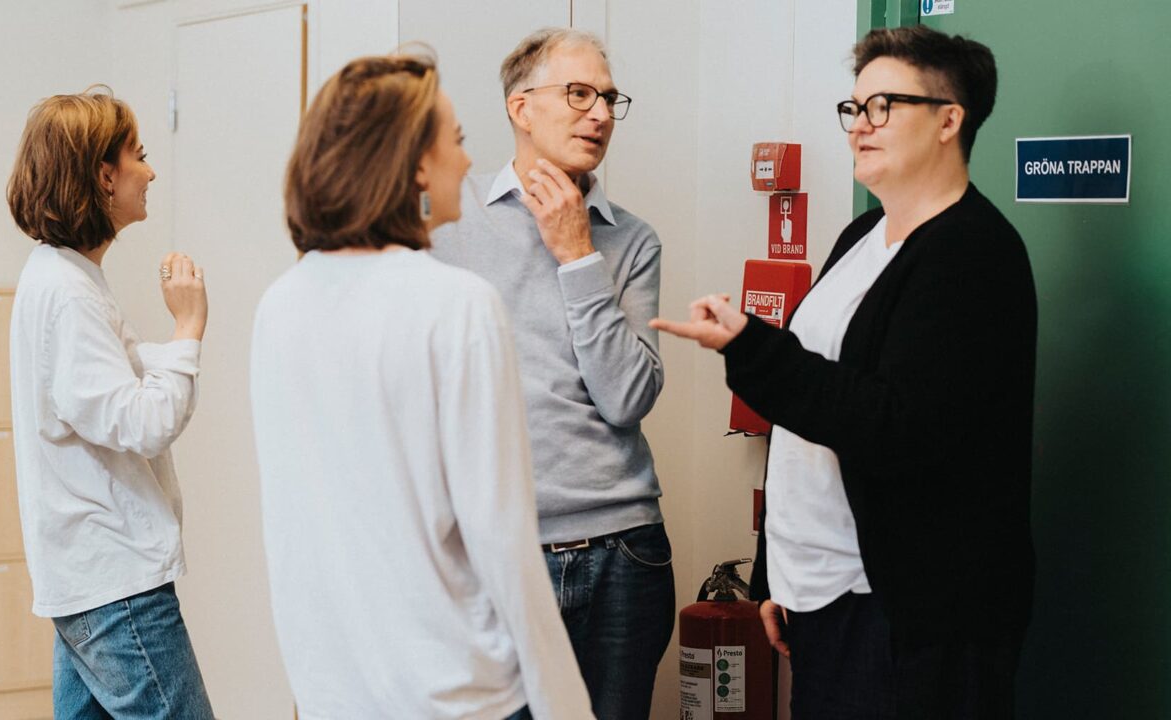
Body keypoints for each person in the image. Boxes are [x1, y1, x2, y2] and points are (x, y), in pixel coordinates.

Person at [653, 26, 1036, 719]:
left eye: (883, 106)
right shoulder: (862, 236)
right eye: (854, 108)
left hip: (905, 615)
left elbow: (893, 424)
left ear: (949, 120)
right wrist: (775, 573)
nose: (860, 125)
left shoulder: (975, 253)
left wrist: (750, 347)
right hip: (821, 599)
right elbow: (803, 430)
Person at [250, 52, 593, 720]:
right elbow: (502, 537)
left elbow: (294, 523)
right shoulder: (457, 304)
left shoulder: (280, 303)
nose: (468, 162)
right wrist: (567, 706)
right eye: (455, 140)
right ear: (413, 167)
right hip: (459, 694)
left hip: (333, 691)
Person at [430, 28, 673, 719]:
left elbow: (627, 398)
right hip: (497, 550)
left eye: (609, 99)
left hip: (625, 552)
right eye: (578, 94)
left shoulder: (631, 239)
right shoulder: (447, 222)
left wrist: (577, 255)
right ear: (521, 107)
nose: (600, 113)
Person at [7, 87, 214, 719]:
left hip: (90, 580)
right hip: (115, 585)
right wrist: (189, 326)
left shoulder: (62, 275)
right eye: (139, 157)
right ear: (103, 176)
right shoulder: (69, 293)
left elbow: (110, 380)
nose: (150, 173)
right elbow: (143, 423)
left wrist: (171, 350)